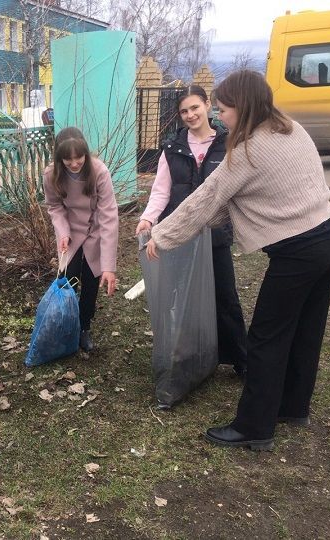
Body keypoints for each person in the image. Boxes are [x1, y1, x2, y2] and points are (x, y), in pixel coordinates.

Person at [146, 70, 330, 450]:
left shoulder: (247, 152)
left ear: (244, 107)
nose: (220, 116)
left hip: (298, 255)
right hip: (329, 242)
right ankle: (292, 405)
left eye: (224, 109)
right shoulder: (290, 129)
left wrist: (161, 235)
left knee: (266, 339)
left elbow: (206, 201)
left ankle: (254, 427)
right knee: (305, 330)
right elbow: (238, 202)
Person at [136, 85, 247, 377]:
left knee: (225, 296)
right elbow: (161, 191)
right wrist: (149, 219)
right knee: (181, 297)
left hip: (215, 233)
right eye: (184, 111)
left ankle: (240, 358)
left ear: (207, 105)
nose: (190, 115)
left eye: (195, 107)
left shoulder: (228, 142)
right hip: (180, 235)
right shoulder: (172, 149)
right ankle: (186, 357)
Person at [43, 127, 119, 352]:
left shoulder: (99, 171)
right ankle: (65, 325)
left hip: (96, 231)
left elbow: (109, 216)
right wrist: (63, 231)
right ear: (59, 158)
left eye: (79, 157)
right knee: (68, 280)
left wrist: (108, 267)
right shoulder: (51, 174)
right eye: (68, 159)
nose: (75, 163)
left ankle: (84, 327)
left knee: (91, 282)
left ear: (86, 153)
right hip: (71, 233)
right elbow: (54, 206)